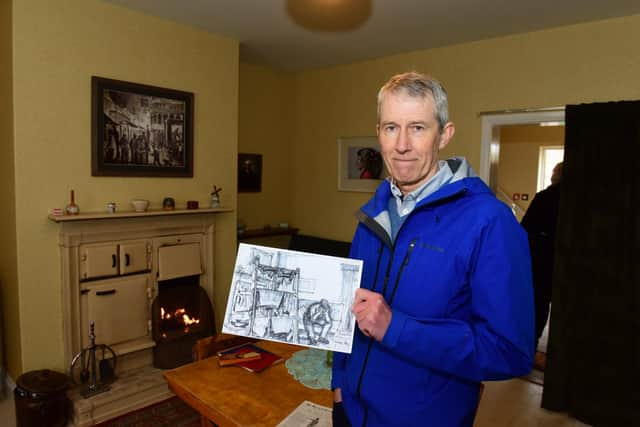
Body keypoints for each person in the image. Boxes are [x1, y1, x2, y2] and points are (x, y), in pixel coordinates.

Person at [331, 72, 534, 427]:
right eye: (391, 127)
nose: (402, 145)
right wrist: (338, 387)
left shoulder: (490, 221)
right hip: (351, 412)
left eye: (418, 128)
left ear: (445, 134)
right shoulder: (373, 213)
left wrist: (395, 327)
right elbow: (348, 311)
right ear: (379, 132)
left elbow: (509, 352)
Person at [521, 161, 562, 370]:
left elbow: (525, 229)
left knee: (539, 305)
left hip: (541, 260)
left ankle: (530, 348)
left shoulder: (544, 198)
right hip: (551, 260)